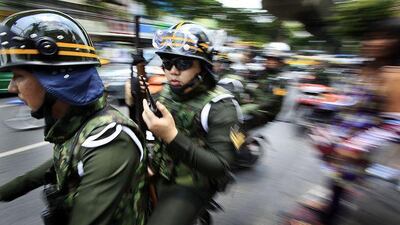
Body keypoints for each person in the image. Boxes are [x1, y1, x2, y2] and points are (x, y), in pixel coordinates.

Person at [0, 9, 147, 225]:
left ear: (55, 78)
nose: (12, 87)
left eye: (19, 76)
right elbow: (57, 164)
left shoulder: (110, 140)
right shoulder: (75, 125)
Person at [141, 21, 240, 225]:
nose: (173, 71)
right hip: (158, 170)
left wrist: (171, 136)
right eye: (167, 63)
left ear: (202, 66)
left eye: (183, 63)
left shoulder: (222, 106)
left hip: (191, 183)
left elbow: (220, 167)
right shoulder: (166, 92)